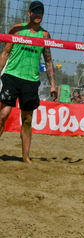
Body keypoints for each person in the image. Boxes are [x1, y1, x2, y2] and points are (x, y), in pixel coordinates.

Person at [0, 1, 57, 163]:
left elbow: (48, 61)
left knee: (27, 120)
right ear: (29, 13)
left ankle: (25, 157)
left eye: (41, 11)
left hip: (31, 81)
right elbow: (5, 53)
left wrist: (52, 84)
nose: (38, 14)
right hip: (12, 76)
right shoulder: (17, 29)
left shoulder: (45, 35)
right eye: (35, 11)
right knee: (3, 114)